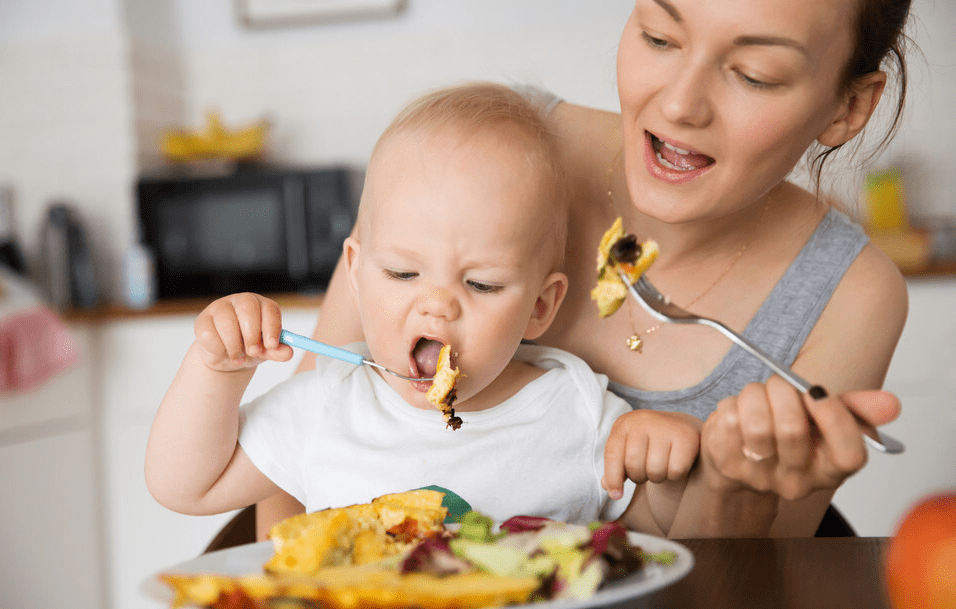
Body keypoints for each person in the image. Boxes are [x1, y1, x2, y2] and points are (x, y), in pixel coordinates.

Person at [258, 0, 918, 538]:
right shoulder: (480, 152)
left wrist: (729, 487)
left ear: (848, 107)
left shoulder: (850, 294)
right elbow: (293, 466)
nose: (681, 104)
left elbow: (739, 576)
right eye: (659, 36)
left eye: (755, 74)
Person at [144, 83, 704, 534]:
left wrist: (666, 468)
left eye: (482, 284)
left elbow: (653, 543)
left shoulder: (577, 413)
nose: (437, 307)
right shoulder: (326, 406)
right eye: (403, 273)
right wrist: (217, 369)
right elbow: (183, 486)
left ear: (539, 307)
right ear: (357, 275)